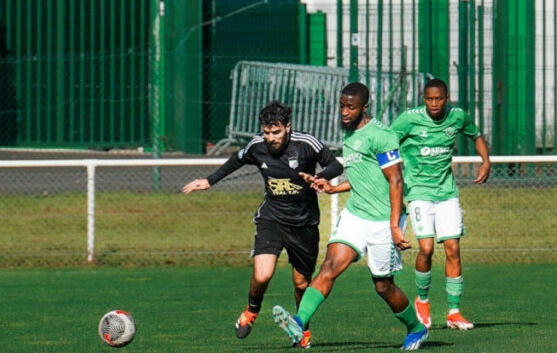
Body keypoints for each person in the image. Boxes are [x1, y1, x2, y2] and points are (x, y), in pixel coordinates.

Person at [272, 82, 429, 351]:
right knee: (329, 267)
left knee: (383, 287)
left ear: (364, 107)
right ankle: (299, 322)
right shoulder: (348, 133)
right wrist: (335, 187)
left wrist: (394, 226)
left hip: (383, 220)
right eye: (342, 106)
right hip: (356, 214)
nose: (345, 112)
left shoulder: (382, 136)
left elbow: (396, 181)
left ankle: (416, 328)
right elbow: (363, 175)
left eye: (351, 107)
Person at [181, 100, 342, 347]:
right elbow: (236, 159)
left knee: (301, 283)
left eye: (276, 132)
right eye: (266, 132)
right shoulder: (257, 146)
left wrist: (319, 177)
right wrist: (210, 181)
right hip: (272, 219)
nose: (270, 137)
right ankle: (252, 310)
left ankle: (301, 327)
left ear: (287, 127)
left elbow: (335, 164)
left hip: (304, 223)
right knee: (263, 274)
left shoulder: (306, 143)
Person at [390, 77, 490, 330]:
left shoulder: (458, 117)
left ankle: (454, 312)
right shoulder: (409, 119)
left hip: (447, 192)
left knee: (453, 249)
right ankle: (422, 301)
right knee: (425, 249)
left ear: (447, 99)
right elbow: (387, 143)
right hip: (418, 192)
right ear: (424, 99)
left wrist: (486, 161)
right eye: (428, 99)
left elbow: (476, 135)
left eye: (438, 99)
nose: (433, 104)